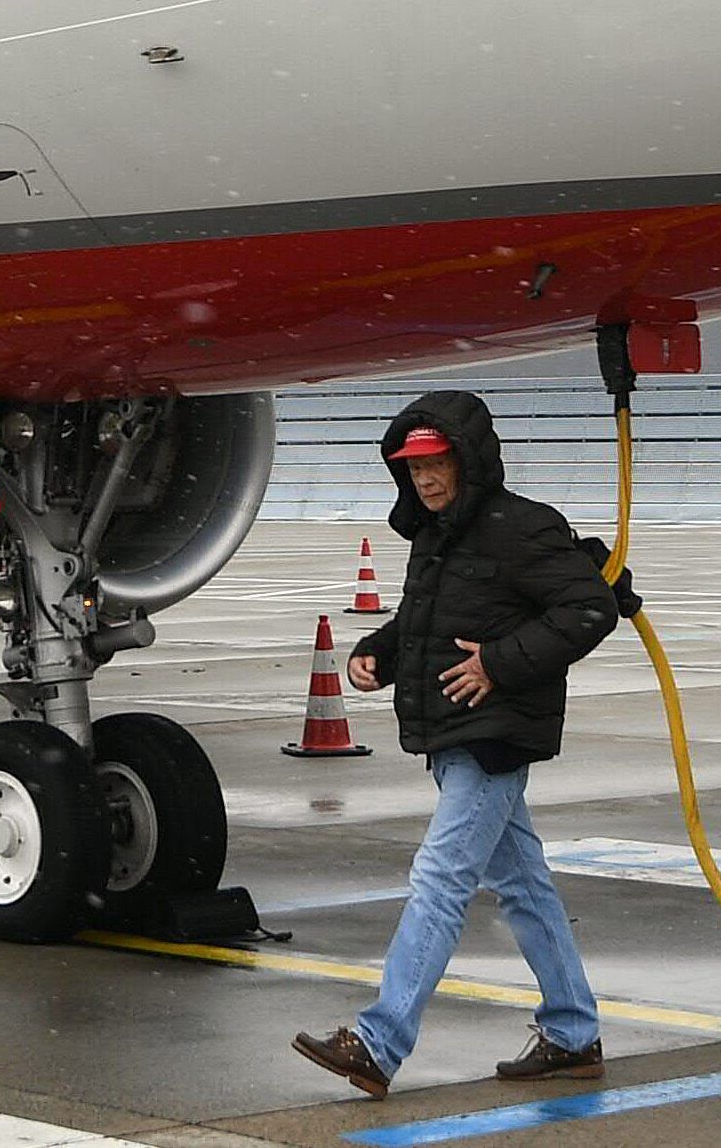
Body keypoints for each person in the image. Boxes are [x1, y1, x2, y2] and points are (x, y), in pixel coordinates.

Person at [292, 390, 622, 1099]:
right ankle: (572, 1033)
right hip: (455, 736)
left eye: (437, 463)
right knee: (524, 887)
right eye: (414, 469)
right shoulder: (437, 535)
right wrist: (377, 650)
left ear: (467, 458)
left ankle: (378, 1043)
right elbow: (427, 616)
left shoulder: (522, 529)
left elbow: (590, 608)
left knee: (440, 881)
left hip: (494, 738)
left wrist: (498, 663)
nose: (426, 480)